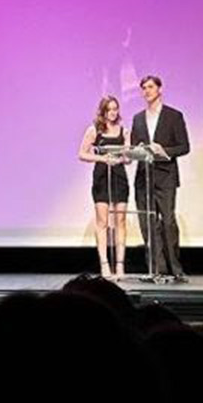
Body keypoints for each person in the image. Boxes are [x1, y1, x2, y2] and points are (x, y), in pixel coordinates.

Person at [130, 75, 190, 282]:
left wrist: (163, 150)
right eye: (143, 88)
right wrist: (136, 150)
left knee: (167, 221)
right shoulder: (138, 118)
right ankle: (156, 269)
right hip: (143, 177)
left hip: (165, 176)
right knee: (148, 223)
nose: (146, 91)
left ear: (159, 89)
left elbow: (184, 147)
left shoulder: (174, 116)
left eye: (150, 87)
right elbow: (134, 146)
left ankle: (175, 268)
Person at [77, 94, 131, 279]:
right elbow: (82, 154)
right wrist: (102, 158)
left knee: (121, 221)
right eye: (109, 109)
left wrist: (123, 158)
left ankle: (120, 265)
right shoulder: (94, 130)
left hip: (119, 177)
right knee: (102, 221)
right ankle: (104, 265)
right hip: (101, 177)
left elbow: (129, 157)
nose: (113, 113)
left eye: (115, 109)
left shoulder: (124, 131)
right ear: (103, 111)